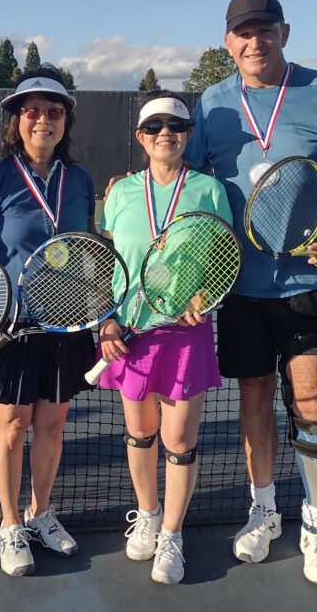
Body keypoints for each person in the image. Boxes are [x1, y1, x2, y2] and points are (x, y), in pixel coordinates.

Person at [183, 0, 317, 585]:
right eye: (242, 32)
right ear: (228, 42)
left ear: (284, 33)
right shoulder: (211, 104)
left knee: (314, 405)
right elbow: (190, 187)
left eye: (264, 29)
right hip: (240, 288)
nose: (254, 41)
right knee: (253, 403)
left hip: (309, 283)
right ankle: (264, 511)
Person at [0, 64, 97, 577]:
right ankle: (10, 523)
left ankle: (42, 513)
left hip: (65, 326)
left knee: (52, 425)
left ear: (65, 121)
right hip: (9, 326)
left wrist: (94, 315)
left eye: (54, 112)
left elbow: (88, 251)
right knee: (12, 426)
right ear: (16, 119)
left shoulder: (80, 180)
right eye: (33, 111)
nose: (44, 120)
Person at [96, 91, 232, 584]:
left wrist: (205, 297)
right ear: (140, 138)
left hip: (185, 333)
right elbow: (106, 263)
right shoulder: (119, 193)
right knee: (140, 433)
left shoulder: (209, 191)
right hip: (127, 333)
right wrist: (106, 319)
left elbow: (222, 260)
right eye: (153, 128)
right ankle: (148, 515)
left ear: (188, 135)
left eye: (175, 126)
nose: (164, 135)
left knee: (178, 439)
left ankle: (172, 535)